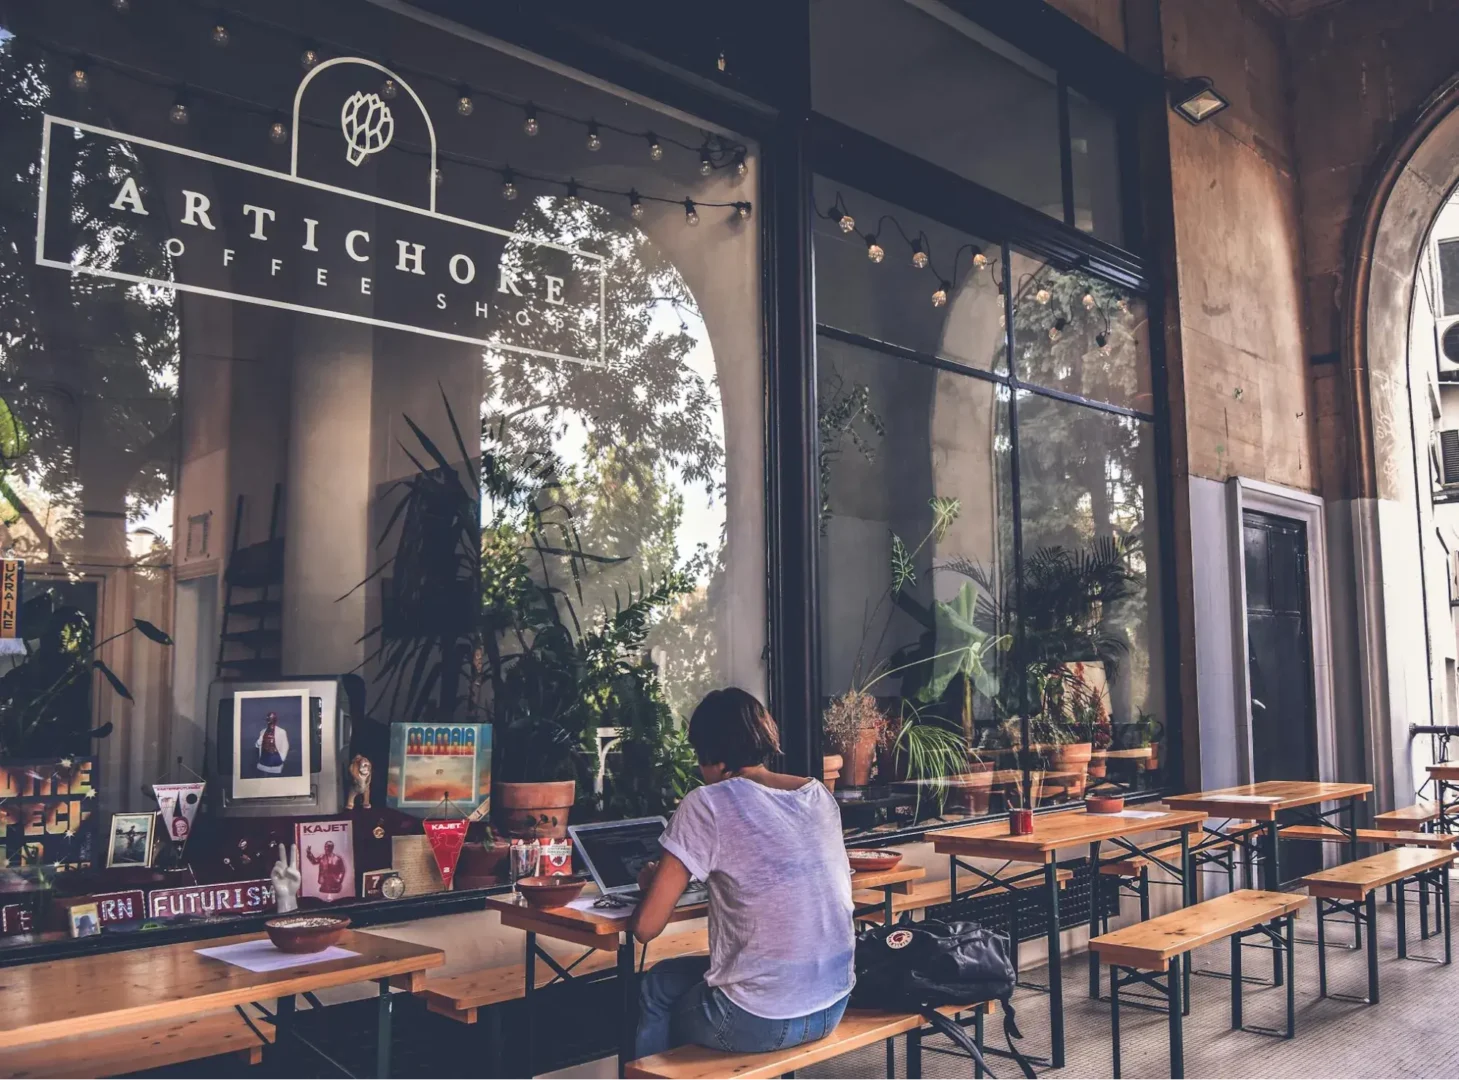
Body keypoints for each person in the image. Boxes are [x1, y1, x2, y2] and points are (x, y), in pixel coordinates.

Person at [630, 688, 853, 1059]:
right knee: (677, 979)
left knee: (656, 989)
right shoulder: (817, 795)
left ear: (709, 754)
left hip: (760, 1019)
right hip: (832, 1004)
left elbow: (645, 928)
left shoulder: (707, 803)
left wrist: (651, 883)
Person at [254, 711, 289, 775]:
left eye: (271, 718)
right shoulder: (262, 731)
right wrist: (258, 743)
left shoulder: (281, 732)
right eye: (268, 717)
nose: (269, 719)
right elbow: (258, 745)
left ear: (275, 719)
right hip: (264, 758)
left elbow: (285, 746)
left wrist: (282, 758)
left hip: (276, 758)